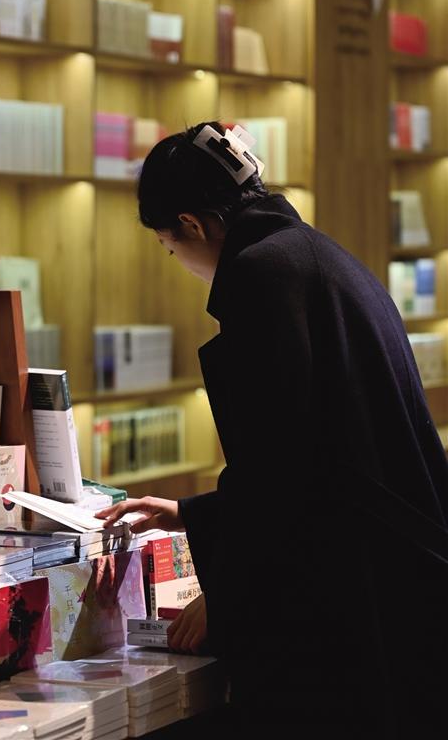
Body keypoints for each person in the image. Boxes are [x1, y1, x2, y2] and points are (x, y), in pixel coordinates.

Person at [97, 121, 448, 740]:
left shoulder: (262, 275)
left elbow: (283, 470)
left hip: (351, 592)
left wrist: (227, 592)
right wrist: (192, 513)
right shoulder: (315, 254)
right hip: (398, 570)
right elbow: (316, 452)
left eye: (169, 246)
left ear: (193, 225)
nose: (179, 262)